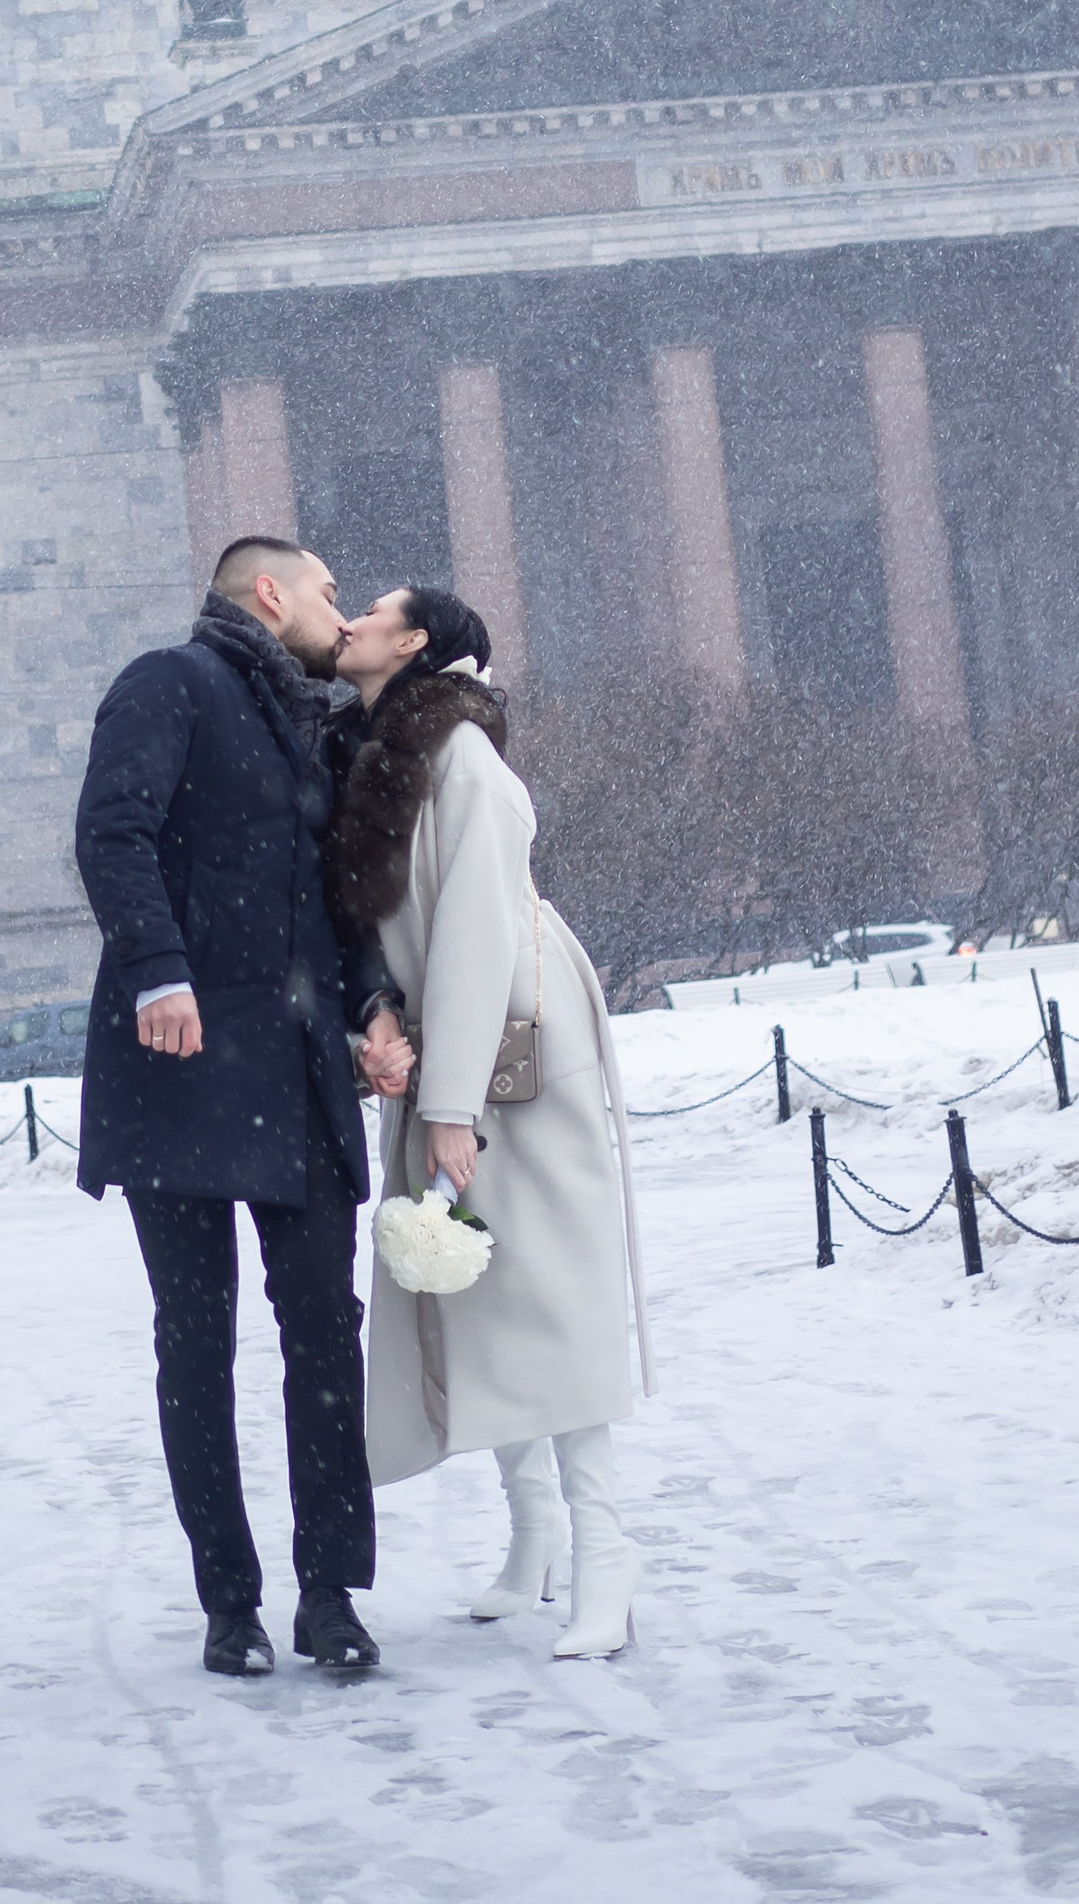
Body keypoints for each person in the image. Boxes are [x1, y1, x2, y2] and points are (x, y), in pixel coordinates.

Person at [74, 534, 415, 1682]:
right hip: (178, 1059)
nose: (338, 606)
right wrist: (159, 969)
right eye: (326, 589)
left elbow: (333, 896)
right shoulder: (167, 682)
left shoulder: (306, 722)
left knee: (325, 1330)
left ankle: (330, 1596)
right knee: (197, 1341)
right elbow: (111, 829)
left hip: (301, 1066)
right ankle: (232, 1604)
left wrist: (372, 1002)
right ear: (268, 593)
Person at [324, 585, 652, 1660]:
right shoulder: (378, 753)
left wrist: (450, 1105)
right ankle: (536, 1534)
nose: (354, 620)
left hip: (513, 1045)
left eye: (372, 608)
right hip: (449, 1048)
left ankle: (605, 1554)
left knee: (555, 1296)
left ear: (415, 640)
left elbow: (473, 930)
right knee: (473, 1289)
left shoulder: (459, 754)